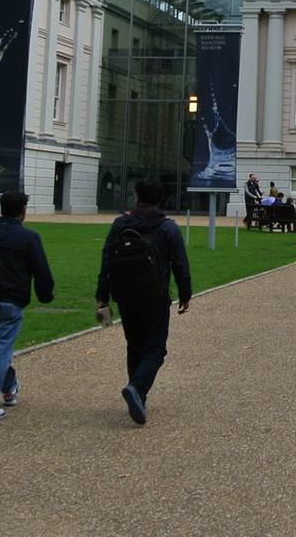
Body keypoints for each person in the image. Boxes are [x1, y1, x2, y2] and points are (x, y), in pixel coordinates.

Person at [96, 179, 193, 425]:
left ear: (137, 196)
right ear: (160, 199)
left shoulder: (120, 224)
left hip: (125, 294)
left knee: (134, 344)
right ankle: (137, 388)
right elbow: (180, 264)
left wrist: (102, 295)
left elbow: (107, 261)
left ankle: (138, 393)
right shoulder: (168, 228)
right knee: (156, 349)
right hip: (155, 295)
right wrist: (185, 293)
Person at [0, 189, 54, 420]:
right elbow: (42, 272)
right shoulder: (28, 238)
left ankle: (8, 387)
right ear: (23, 211)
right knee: (1, 349)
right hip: (11, 299)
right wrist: (46, 295)